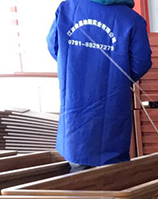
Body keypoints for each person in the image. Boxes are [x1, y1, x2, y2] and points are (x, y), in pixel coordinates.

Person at [47, 0, 152, 171]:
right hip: (113, 101)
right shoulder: (132, 20)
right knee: (111, 172)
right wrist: (119, 78)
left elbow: (54, 46)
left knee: (77, 165)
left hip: (74, 99)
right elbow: (141, 62)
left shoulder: (68, 8)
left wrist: (72, 69)